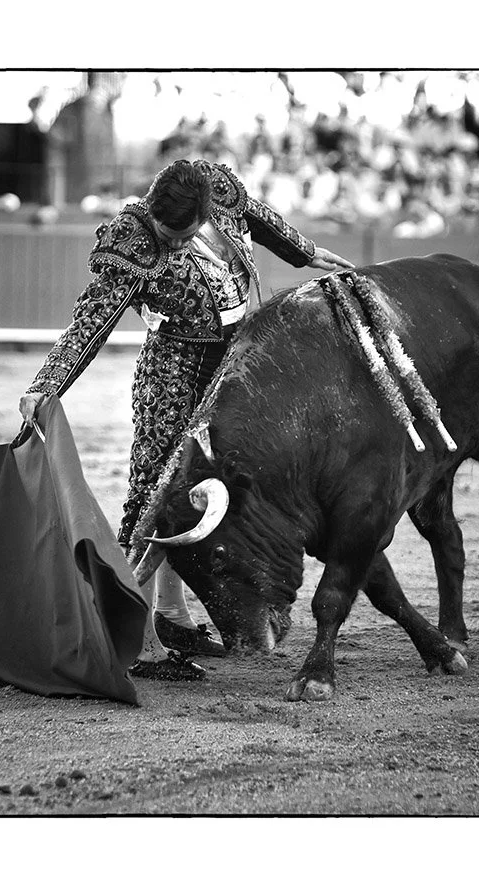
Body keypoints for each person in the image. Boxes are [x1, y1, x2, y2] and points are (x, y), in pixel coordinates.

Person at [18, 158, 353, 679]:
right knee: (155, 494)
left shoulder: (217, 191)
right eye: (168, 235)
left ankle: (172, 615)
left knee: (213, 491)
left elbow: (257, 215)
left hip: (235, 368)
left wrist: (305, 253)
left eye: (184, 235)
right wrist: (47, 385)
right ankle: (139, 640)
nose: (174, 245)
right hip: (174, 372)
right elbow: (91, 320)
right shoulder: (133, 241)